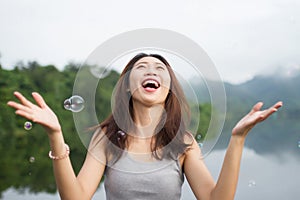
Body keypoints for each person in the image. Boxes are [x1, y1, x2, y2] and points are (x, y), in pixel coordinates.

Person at [7, 53, 283, 200]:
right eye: (141, 66)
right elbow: (75, 198)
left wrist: (237, 139)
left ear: (168, 89)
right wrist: (56, 135)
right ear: (127, 84)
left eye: (160, 68)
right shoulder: (106, 139)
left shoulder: (183, 142)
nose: (151, 70)